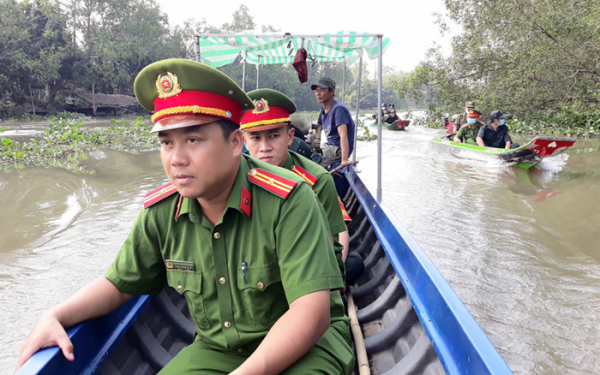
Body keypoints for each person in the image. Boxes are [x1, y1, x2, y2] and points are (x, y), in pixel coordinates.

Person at [15, 59, 355, 375]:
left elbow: (311, 315)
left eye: (192, 139)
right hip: (220, 349)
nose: (176, 159)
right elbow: (118, 284)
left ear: (236, 142)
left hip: (308, 344)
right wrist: (55, 314)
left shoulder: (290, 200)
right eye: (166, 142)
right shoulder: (163, 211)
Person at [241, 88, 364, 287]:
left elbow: (335, 236)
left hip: (305, 266)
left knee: (352, 263)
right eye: (255, 137)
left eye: (273, 136)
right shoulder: (233, 177)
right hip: (254, 267)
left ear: (290, 137)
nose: (264, 147)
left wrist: (334, 276)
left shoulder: (316, 179)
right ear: (243, 140)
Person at [311, 77, 356, 169]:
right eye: (316, 90)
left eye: (322, 90)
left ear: (332, 92)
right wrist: (312, 144)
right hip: (329, 146)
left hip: (338, 149)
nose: (318, 94)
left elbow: (343, 135)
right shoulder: (323, 109)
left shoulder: (338, 109)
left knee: (312, 165)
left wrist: (344, 160)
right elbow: (317, 129)